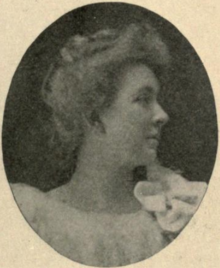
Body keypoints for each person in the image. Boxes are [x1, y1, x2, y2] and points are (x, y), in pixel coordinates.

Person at [10, 23, 207, 266]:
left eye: (156, 99)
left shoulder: (176, 214)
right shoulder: (32, 217)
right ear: (94, 117)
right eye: (143, 99)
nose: (162, 115)